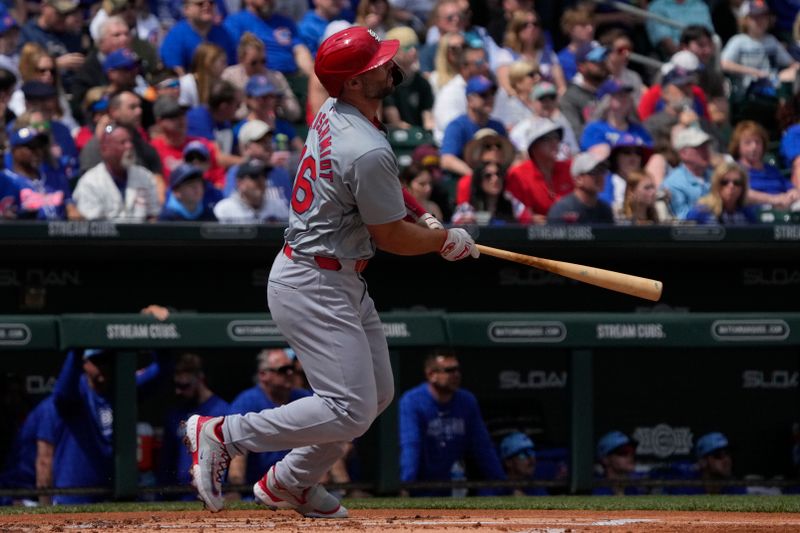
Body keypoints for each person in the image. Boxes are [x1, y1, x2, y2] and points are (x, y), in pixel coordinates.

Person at [185, 26, 478, 518]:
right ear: (355, 83)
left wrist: (421, 212)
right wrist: (443, 241)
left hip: (334, 275)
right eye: (376, 64)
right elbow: (392, 238)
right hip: (313, 280)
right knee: (349, 407)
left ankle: (291, 481)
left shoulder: (336, 111)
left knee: (376, 395)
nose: (390, 63)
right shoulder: (362, 144)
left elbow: (383, 190)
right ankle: (221, 434)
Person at [399, 351, 506, 496]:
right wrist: (406, 485)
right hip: (420, 485)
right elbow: (411, 445)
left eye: (457, 370)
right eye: (449, 370)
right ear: (431, 375)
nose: (456, 374)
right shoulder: (412, 401)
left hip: (452, 483)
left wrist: (503, 486)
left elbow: (483, 447)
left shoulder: (467, 401)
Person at [226, 349, 312, 491]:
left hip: (299, 487)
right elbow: (236, 449)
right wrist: (236, 489)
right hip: (256, 488)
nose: (290, 374)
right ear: (263, 375)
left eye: (291, 368)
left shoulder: (303, 398)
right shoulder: (247, 401)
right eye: (283, 370)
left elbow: (320, 439)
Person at [159, 353, 229, 498]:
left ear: (199, 379)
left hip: (213, 492)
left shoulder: (221, 411)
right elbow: (167, 460)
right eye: (176, 385)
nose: (179, 391)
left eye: (184, 386)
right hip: (180, 495)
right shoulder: (175, 413)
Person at [73, 123, 161, 221]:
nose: (129, 146)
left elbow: (153, 216)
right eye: (122, 142)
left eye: (130, 141)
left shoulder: (145, 176)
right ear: (105, 149)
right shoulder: (90, 182)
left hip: (142, 235)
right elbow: (93, 226)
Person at [720, 0, 799, 102]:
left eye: (763, 16)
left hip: (771, 92)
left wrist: (786, 73)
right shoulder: (739, 40)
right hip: (747, 95)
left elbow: (791, 64)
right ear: (745, 20)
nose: (760, 21)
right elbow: (723, 63)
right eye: (755, 17)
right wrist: (753, 72)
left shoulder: (771, 41)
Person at [221, 32, 301, 122]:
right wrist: (252, 104)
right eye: (253, 63)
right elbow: (225, 112)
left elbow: (295, 113)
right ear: (241, 59)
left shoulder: (276, 78)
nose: (259, 67)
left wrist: (280, 101)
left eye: (263, 61)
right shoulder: (229, 77)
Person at [3, 125, 78, 220]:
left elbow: (72, 210)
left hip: (58, 232)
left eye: (40, 146)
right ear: (14, 151)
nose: (37, 151)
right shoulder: (6, 181)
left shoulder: (56, 178)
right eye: (31, 147)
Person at [505, 119, 573, 222]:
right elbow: (520, 214)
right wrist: (532, 219)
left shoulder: (569, 168)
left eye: (556, 138)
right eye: (547, 139)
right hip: (533, 234)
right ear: (533, 146)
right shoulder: (518, 174)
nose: (554, 142)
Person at [223, 0, 314, 76]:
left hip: (291, 76)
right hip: (258, 79)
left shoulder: (285, 22)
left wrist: (313, 76)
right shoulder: (235, 22)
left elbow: (300, 51)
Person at [439, 75, 506, 178]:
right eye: (484, 95)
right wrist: (476, 177)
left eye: (492, 93)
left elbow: (508, 156)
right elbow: (447, 160)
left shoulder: (497, 126)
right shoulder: (457, 126)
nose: (490, 98)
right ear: (470, 100)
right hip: (465, 184)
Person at [729, 120, 800, 209]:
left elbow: (791, 188)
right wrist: (774, 199)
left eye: (758, 142)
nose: (754, 147)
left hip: (782, 210)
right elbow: (739, 193)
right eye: (748, 143)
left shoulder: (772, 170)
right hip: (754, 214)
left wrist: (792, 194)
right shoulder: (734, 170)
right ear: (738, 147)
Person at [159, 0, 236, 74]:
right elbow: (175, 73)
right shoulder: (175, 37)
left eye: (211, 2)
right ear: (186, 9)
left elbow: (232, 67)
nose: (207, 6)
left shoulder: (224, 33)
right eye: (200, 3)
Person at [382, 26, 435, 131]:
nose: (414, 51)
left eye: (415, 46)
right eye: (407, 47)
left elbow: (427, 118)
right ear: (394, 52)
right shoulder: (386, 82)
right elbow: (396, 122)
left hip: (417, 138)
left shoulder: (423, 83)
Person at [509, 82, 578, 160]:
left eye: (551, 98)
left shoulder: (562, 124)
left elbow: (574, 153)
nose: (548, 103)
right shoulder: (521, 129)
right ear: (532, 102)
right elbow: (523, 158)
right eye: (542, 99)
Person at [580, 79, 652, 151]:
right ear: (606, 99)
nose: (625, 98)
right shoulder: (594, 129)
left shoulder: (639, 130)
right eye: (619, 95)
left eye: (627, 95)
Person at [451, 159, 531, 225]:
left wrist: (533, 219)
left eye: (498, 174)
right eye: (488, 176)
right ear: (479, 181)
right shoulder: (467, 208)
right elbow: (453, 232)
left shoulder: (512, 203)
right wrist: (463, 223)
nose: (495, 179)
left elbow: (528, 222)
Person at [664, 432, 746, 494]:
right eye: (718, 455)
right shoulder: (686, 487)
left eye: (728, 453)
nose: (726, 460)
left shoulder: (736, 487)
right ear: (703, 461)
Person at [548, 147, 614, 224]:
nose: (601, 177)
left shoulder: (605, 210)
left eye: (603, 171)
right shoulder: (562, 211)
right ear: (578, 179)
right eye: (595, 172)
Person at [213, 158, 289, 223]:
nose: (261, 181)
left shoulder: (278, 206)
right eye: (254, 177)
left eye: (264, 176)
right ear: (240, 183)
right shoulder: (224, 209)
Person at [661, 127, 714, 219]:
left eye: (706, 146)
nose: (705, 151)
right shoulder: (673, 183)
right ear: (683, 153)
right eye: (698, 147)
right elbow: (680, 218)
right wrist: (706, 207)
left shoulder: (716, 175)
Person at [559, 43, 609, 139]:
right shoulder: (570, 97)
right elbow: (576, 134)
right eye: (596, 60)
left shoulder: (613, 90)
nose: (602, 64)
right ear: (581, 66)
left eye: (603, 59)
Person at [598, 133, 653, 219]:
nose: (633, 157)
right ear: (615, 157)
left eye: (638, 153)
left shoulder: (647, 180)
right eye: (627, 152)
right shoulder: (607, 180)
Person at [686, 161, 759, 224]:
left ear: (743, 187)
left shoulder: (747, 214)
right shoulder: (700, 212)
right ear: (716, 185)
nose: (731, 186)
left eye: (737, 183)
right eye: (724, 182)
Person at [646, 0, 712, 58]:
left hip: (702, 54)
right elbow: (664, 40)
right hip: (672, 56)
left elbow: (709, 34)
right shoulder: (657, 6)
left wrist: (704, 50)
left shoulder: (699, 4)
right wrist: (683, 55)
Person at [593, 430, 647, 496]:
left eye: (632, 451)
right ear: (605, 459)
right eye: (623, 451)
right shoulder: (595, 489)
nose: (630, 456)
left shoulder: (635, 489)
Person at [499, 432, 548, 496]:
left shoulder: (536, 487)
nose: (531, 459)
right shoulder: (494, 489)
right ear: (508, 462)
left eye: (532, 452)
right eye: (523, 454)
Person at [556, 6, 595, 83]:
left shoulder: (599, 50)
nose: (590, 29)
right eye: (583, 25)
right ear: (570, 28)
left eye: (592, 24)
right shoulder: (562, 60)